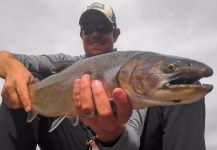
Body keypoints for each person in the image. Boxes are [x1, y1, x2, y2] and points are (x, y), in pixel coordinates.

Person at [0, 0, 206, 150]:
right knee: (18, 88)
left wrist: (111, 134)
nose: (95, 33)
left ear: (115, 33)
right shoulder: (61, 60)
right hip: (70, 139)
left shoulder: (131, 73)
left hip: (119, 142)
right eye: (88, 28)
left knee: (187, 91)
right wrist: (11, 66)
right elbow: (3, 58)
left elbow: (131, 141)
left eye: (102, 27)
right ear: (81, 34)